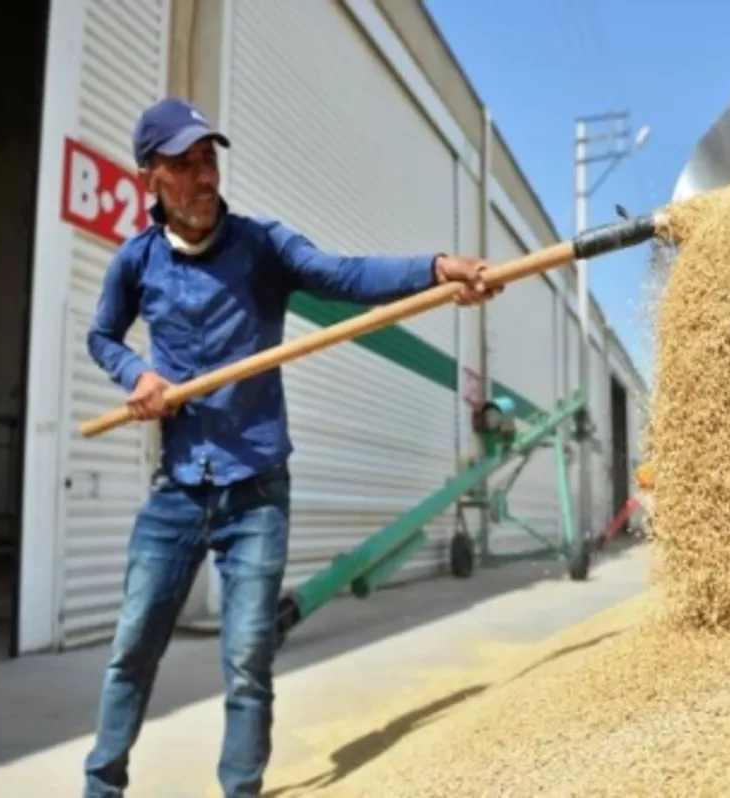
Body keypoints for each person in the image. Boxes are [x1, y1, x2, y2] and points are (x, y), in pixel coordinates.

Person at [81, 97, 500, 798]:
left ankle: (240, 790)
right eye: (183, 164)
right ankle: (101, 786)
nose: (203, 175)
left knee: (248, 658)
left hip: (257, 490)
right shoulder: (137, 264)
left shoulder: (262, 246)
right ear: (150, 177)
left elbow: (344, 275)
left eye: (208, 158)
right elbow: (102, 337)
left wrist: (435, 268)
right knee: (131, 650)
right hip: (180, 485)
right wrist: (138, 374)